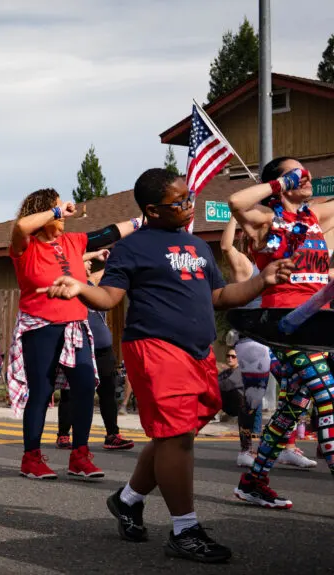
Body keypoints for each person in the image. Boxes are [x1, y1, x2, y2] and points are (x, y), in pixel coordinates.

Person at [42, 168, 292, 563]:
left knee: (175, 436)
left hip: (196, 352)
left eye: (189, 197)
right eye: (180, 201)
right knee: (176, 436)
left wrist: (263, 280)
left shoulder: (197, 245)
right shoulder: (133, 247)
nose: (189, 204)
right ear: (154, 210)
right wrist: (80, 288)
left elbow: (220, 295)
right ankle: (185, 530)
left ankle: (128, 500)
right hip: (155, 349)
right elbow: (108, 297)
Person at [7, 188, 139, 481]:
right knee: (41, 391)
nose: (65, 214)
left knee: (83, 386)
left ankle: (80, 455)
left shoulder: (73, 241)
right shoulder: (25, 245)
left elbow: (109, 232)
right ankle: (31, 458)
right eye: (56, 208)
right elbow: (20, 226)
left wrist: (144, 220)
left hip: (76, 325)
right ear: (43, 211)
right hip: (39, 325)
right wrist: (56, 211)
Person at [228, 157, 334, 508]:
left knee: (294, 405)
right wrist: (280, 185)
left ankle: (253, 481)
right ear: (281, 181)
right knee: (328, 396)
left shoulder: (314, 218)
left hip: (319, 325)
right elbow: (236, 203)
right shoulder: (266, 220)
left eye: (307, 173)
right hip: (286, 324)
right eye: (298, 173)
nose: (308, 177)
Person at [219, 216, 316, 470]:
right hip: (253, 341)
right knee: (253, 398)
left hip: (275, 341)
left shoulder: (275, 265)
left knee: (293, 387)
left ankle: (287, 446)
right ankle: (245, 450)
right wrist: (233, 215)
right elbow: (225, 247)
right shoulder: (245, 266)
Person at [56, 254, 136, 452]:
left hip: (103, 349)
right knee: (70, 393)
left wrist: (117, 257)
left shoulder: (93, 286)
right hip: (78, 347)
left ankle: (112, 434)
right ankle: (64, 434)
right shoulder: (69, 287)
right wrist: (95, 254)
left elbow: (105, 273)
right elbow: (69, 262)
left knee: (108, 392)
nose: (90, 264)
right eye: (86, 261)